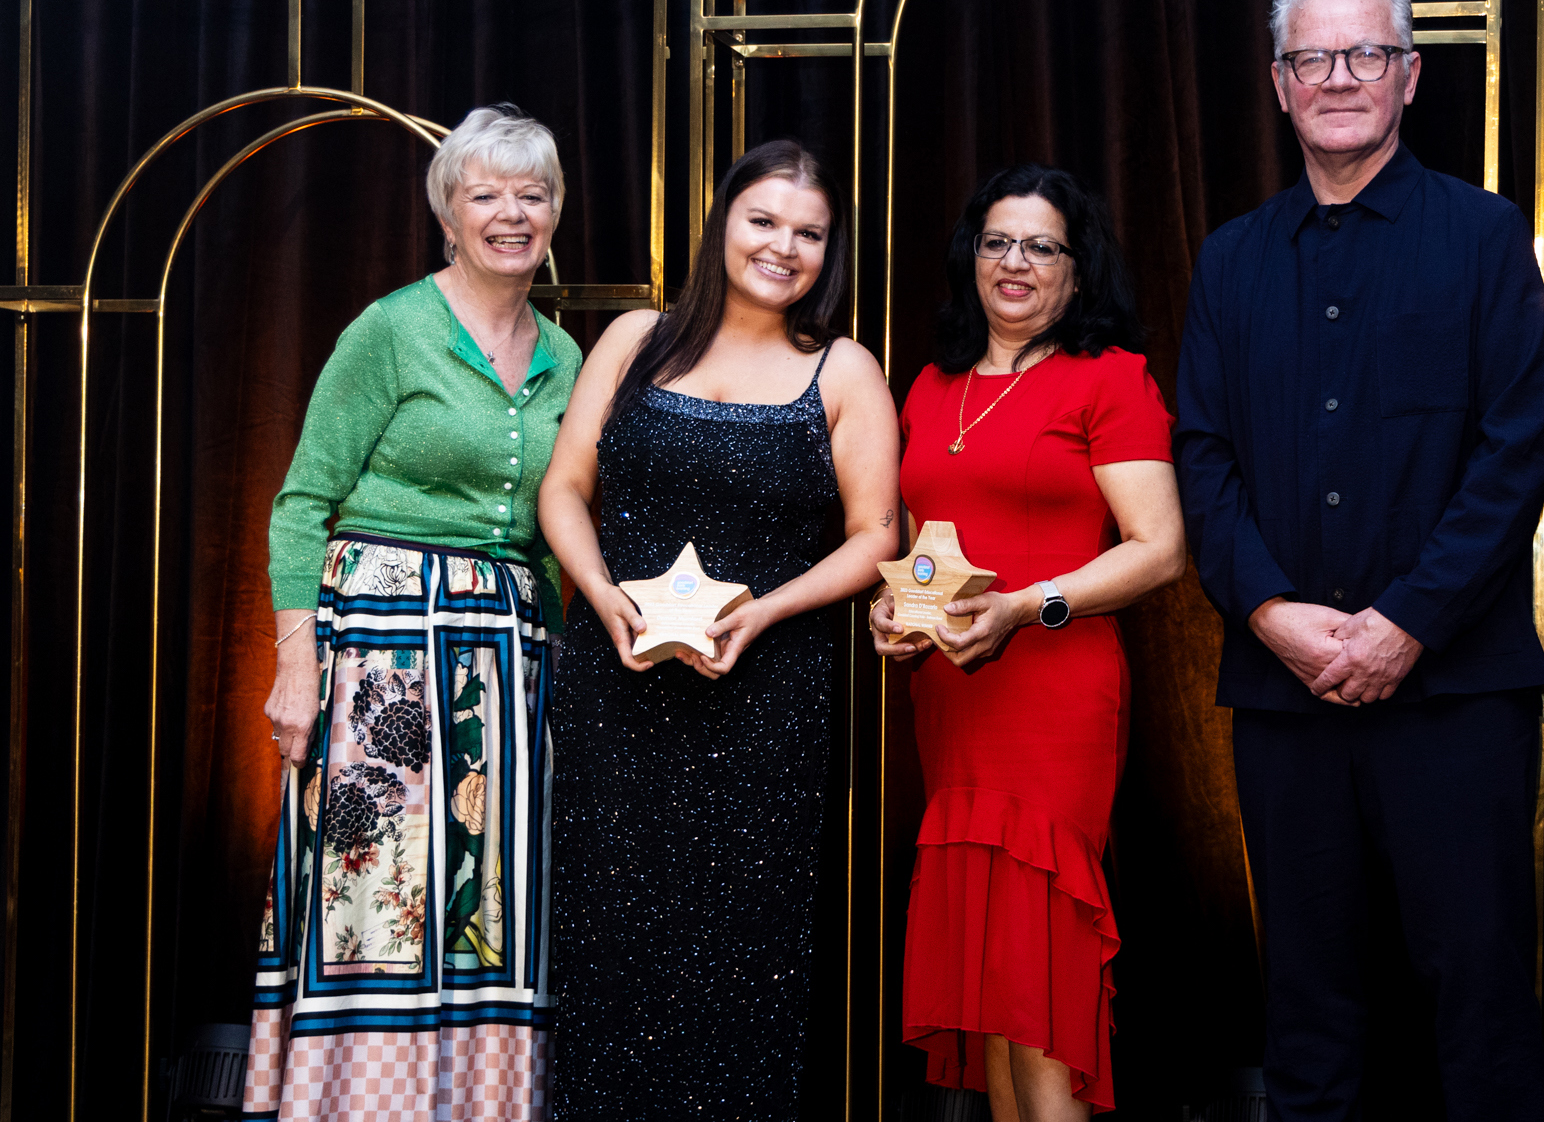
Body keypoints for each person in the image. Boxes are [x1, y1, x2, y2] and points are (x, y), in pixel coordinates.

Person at [1173, 0, 1544, 1120]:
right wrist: (1272, 613)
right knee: (1307, 1009)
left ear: (1410, 73)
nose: (1339, 77)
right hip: (1284, 695)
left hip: (1458, 690)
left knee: (1481, 1003)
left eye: (1366, 53)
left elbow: (1515, 452)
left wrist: (1405, 623)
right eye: (1314, 58)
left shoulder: (1485, 237)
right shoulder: (1231, 259)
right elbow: (1203, 458)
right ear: (1279, 83)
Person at [538, 139, 899, 1119]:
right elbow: (564, 487)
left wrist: (765, 610)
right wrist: (600, 592)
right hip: (616, 691)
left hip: (765, 706)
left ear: (830, 251)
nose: (784, 246)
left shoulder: (841, 369)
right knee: (610, 945)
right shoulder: (634, 339)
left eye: (809, 233)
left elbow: (878, 533)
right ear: (722, 223)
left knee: (744, 959)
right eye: (764, 220)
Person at [248, 104, 583, 1119]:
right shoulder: (390, 329)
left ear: (556, 212)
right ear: (448, 215)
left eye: (532, 194)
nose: (511, 214)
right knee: (376, 897)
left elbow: (556, 523)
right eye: (486, 195)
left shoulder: (567, 355)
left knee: (490, 901)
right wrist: (296, 668)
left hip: (505, 664)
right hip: (381, 658)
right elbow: (301, 503)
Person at [871, 164, 1186, 1120]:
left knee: (1038, 983)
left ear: (1078, 270)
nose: (1015, 263)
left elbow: (1160, 550)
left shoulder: (1110, 377)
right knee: (994, 994)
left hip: (1054, 700)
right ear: (970, 257)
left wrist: (1024, 608)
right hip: (953, 703)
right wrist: (894, 612)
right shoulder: (931, 385)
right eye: (997, 242)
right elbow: (919, 550)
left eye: (1042, 247)